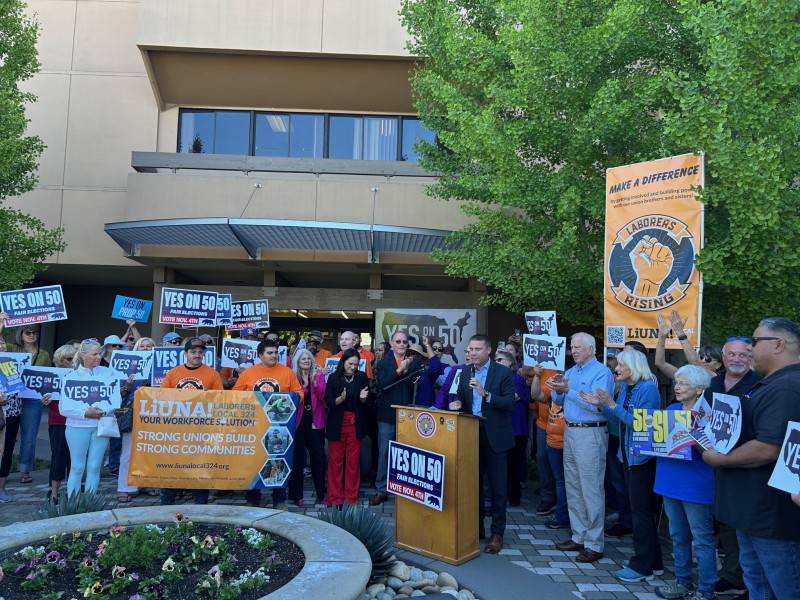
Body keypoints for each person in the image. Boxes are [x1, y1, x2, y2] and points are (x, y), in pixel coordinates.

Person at [700, 317, 800, 599]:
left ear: (779, 344)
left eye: (754, 342)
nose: (750, 349)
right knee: (759, 587)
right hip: (753, 515)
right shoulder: (775, 384)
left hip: (771, 519)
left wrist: (720, 459)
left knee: (783, 590)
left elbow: (770, 447)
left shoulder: (787, 386)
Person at [582, 349, 663, 581]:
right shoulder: (627, 386)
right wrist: (600, 405)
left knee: (641, 511)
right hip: (627, 453)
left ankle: (643, 566)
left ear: (633, 367)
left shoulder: (648, 388)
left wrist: (612, 405)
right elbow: (618, 419)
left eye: (620, 365)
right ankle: (653, 562)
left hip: (642, 457)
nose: (615, 369)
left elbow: (642, 424)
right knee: (639, 509)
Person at [701, 336, 760, 596]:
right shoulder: (713, 384)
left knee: (745, 525)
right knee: (724, 518)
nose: (737, 359)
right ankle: (732, 573)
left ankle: (751, 581)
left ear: (752, 357)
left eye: (744, 355)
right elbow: (701, 418)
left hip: (746, 462)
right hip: (716, 461)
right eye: (732, 354)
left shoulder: (758, 385)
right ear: (723, 357)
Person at [549, 332, 614, 563]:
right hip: (571, 430)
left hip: (591, 431)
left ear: (591, 349)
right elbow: (558, 402)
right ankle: (579, 535)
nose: (573, 351)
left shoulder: (601, 373)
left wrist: (568, 391)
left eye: (577, 347)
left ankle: (594, 543)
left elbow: (595, 405)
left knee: (591, 488)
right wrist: (557, 389)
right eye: (572, 347)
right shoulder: (570, 372)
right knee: (574, 485)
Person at [653, 365, 715, 600]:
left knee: (701, 539)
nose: (677, 387)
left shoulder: (709, 414)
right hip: (669, 479)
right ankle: (682, 582)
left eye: (682, 383)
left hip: (696, 483)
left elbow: (714, 449)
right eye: (677, 382)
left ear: (699, 388)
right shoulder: (671, 409)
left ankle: (707, 591)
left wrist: (693, 435)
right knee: (677, 535)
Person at [455, 334, 516, 554]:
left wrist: (486, 394)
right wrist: (458, 401)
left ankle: (497, 533)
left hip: (496, 438)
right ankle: (476, 527)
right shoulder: (465, 371)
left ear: (488, 350)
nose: (472, 353)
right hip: (472, 434)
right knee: (473, 485)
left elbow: (510, 403)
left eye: (477, 349)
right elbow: (462, 394)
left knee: (497, 488)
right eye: (470, 349)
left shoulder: (503, 372)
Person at [234, 338, 303, 509]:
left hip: (278, 427)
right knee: (253, 461)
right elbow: (236, 394)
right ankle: (252, 499)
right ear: (260, 355)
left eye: (276, 353)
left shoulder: (287, 372)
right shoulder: (249, 373)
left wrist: (279, 404)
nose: (274, 356)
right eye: (270, 353)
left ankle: (279, 500)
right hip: (254, 426)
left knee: (278, 461)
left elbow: (299, 394)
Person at [160, 337, 223, 505]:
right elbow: (161, 397)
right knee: (172, 467)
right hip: (177, 431)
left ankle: (201, 504)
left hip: (202, 430)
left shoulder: (212, 373)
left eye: (200, 352)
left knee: (201, 467)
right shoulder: (174, 373)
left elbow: (220, 399)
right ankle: (166, 503)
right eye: (193, 352)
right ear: (185, 353)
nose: (197, 355)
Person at [60, 339, 124, 496]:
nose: (98, 357)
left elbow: (116, 400)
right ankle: (73, 504)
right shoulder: (71, 376)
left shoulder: (108, 373)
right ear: (83, 355)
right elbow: (64, 407)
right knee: (77, 466)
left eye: (99, 353)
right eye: (94, 354)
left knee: (95, 466)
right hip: (76, 427)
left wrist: (101, 411)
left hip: (101, 426)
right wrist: (85, 413)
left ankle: (90, 503)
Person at [0, 314, 51, 484]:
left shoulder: (44, 354)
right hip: (11, 398)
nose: (31, 335)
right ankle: (4, 470)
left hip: (33, 398)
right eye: (27, 332)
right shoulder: (13, 349)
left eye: (34, 332)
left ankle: (25, 470)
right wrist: (1, 323)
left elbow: (48, 376)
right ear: (21, 335)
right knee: (7, 437)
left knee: (29, 436)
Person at [369, 331, 418, 506]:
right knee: (384, 454)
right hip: (387, 415)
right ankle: (381, 490)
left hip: (408, 416)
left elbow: (416, 387)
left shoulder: (415, 363)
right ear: (392, 343)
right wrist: (399, 370)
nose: (402, 344)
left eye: (404, 341)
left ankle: (405, 490)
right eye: (398, 341)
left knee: (406, 455)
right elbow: (382, 385)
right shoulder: (383, 364)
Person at [325, 348, 369, 507]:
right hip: (337, 424)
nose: (353, 367)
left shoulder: (362, 377)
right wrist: (340, 399)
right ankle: (335, 498)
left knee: (352, 463)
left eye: (356, 364)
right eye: (350, 363)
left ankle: (351, 497)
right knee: (335, 462)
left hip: (355, 424)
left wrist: (364, 399)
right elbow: (328, 401)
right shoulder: (333, 378)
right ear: (343, 362)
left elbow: (367, 403)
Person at [117, 337, 158, 503]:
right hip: (132, 410)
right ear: (136, 349)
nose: (146, 348)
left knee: (148, 451)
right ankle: (124, 487)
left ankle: (145, 484)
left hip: (153, 412)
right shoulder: (127, 367)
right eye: (142, 346)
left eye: (149, 346)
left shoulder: (158, 368)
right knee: (128, 451)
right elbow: (117, 394)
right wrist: (127, 385)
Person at [287, 348, 327, 506]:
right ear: (297, 361)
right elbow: (294, 395)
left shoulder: (318, 374)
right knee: (296, 458)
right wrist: (303, 384)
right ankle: (296, 496)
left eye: (309, 359)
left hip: (315, 419)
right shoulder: (292, 375)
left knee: (318, 457)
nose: (306, 361)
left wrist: (315, 383)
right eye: (303, 359)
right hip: (297, 420)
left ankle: (321, 494)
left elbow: (322, 395)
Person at [495, 351, 530, 507]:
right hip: (504, 427)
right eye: (495, 359)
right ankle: (507, 495)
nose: (496, 361)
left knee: (513, 465)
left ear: (510, 363)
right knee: (504, 464)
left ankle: (514, 496)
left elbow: (513, 396)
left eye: (499, 359)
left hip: (516, 428)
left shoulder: (517, 378)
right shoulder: (500, 378)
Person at [46, 344, 77, 502]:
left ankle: (74, 492)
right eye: (69, 359)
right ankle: (54, 493)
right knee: (58, 457)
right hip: (58, 421)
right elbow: (41, 395)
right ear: (60, 360)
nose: (72, 362)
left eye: (74, 358)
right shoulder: (52, 376)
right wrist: (43, 400)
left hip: (77, 421)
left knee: (75, 459)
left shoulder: (80, 375)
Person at [655, 310, 723, 379]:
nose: (702, 361)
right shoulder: (691, 377)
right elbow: (660, 363)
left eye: (708, 359)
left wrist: (680, 333)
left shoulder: (718, 378)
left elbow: (696, 363)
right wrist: (662, 336)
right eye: (701, 357)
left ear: (718, 365)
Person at [0, 336, 23, 502]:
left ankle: (1, 488)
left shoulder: (10, 364)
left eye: (2, 342)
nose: (1, 345)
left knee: (7, 451)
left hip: (12, 414)